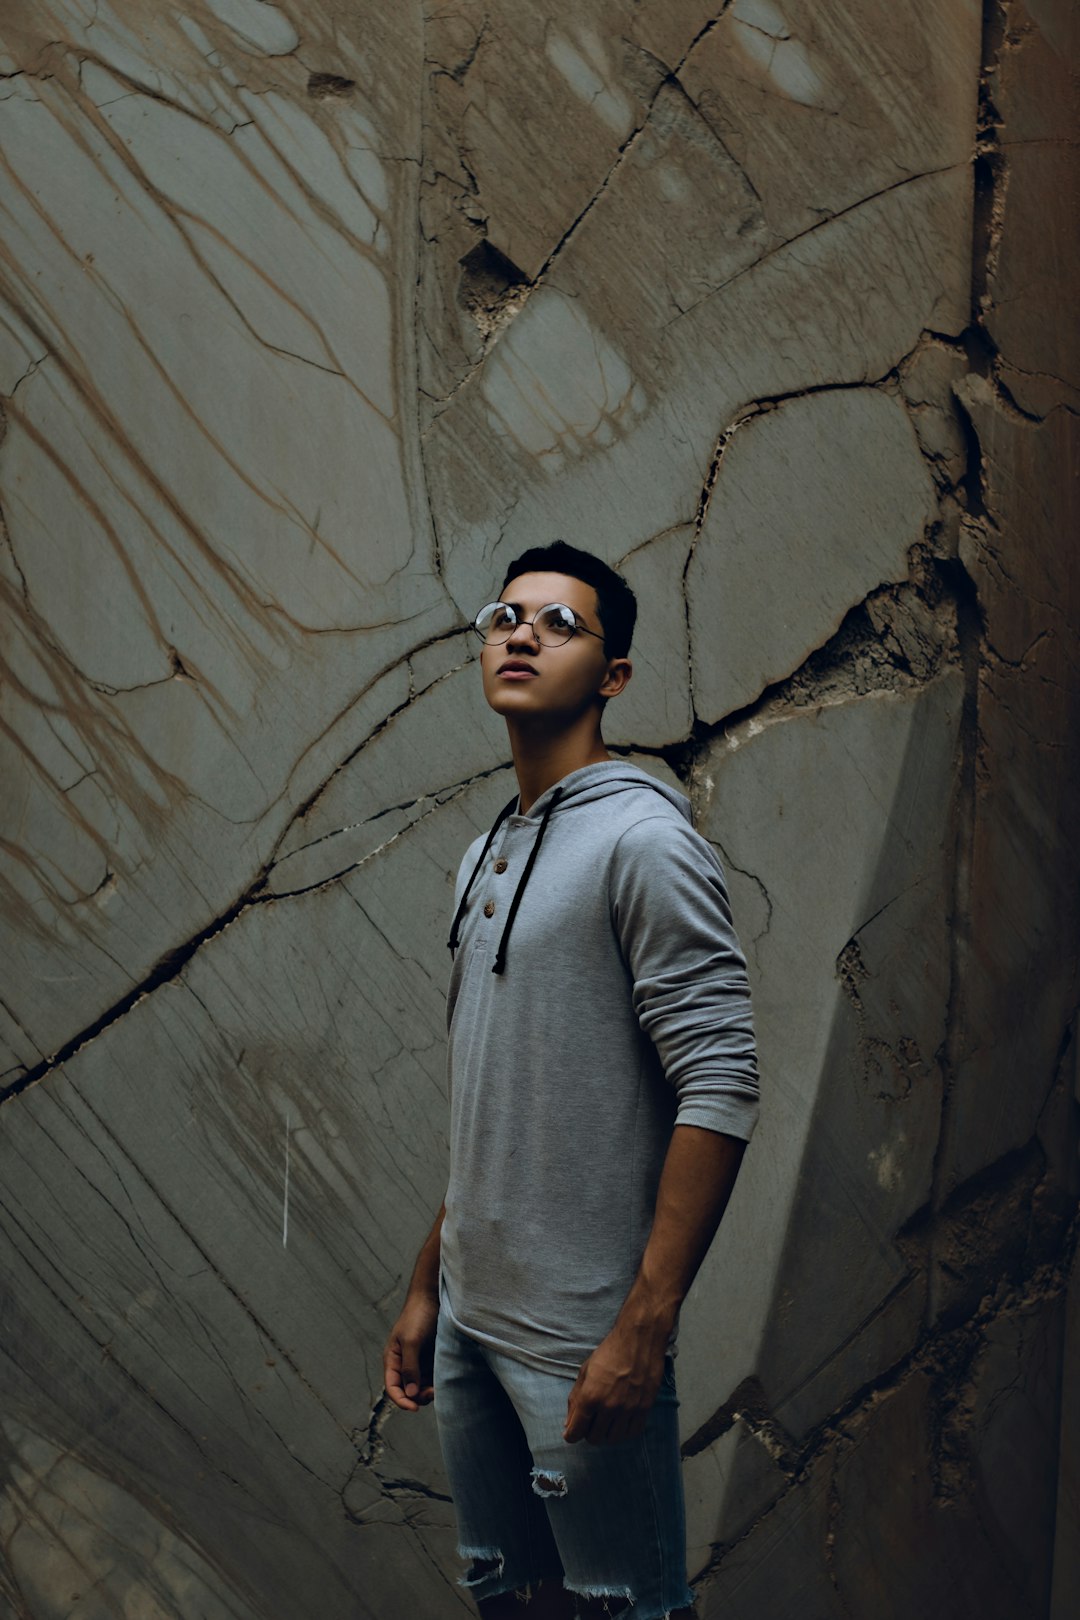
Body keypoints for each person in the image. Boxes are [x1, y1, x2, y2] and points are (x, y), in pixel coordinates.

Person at [382, 541, 759, 1620]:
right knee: (516, 1605)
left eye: (559, 623)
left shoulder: (644, 840)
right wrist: (426, 1286)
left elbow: (722, 1082)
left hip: (580, 1344)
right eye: (506, 616)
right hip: (470, 1325)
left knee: (622, 1611)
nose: (521, 634)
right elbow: (495, 1098)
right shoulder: (483, 852)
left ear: (614, 677)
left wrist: (645, 1326)